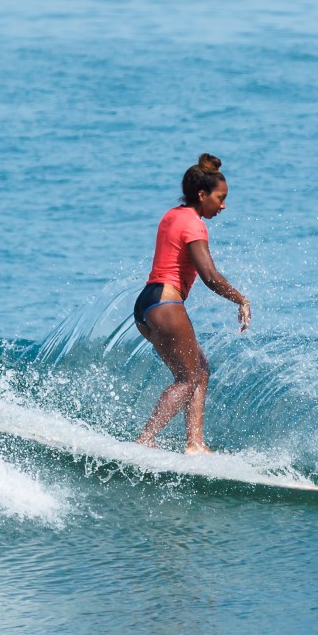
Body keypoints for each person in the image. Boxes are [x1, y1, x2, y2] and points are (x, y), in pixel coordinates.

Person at [133, 154, 251, 454]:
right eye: (220, 198)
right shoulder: (194, 226)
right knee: (187, 378)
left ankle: (195, 443)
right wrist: (241, 299)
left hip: (147, 302)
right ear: (202, 195)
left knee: (199, 369)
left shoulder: (172, 214)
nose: (223, 205)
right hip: (166, 304)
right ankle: (146, 439)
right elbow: (209, 275)